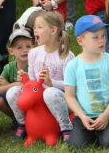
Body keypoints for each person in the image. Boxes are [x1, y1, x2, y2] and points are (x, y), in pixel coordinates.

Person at [6, 10, 74, 143]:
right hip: (37, 98)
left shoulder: (66, 55)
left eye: (39, 27)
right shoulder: (34, 53)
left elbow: (70, 87)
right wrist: (25, 80)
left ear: (53, 30)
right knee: (12, 92)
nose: (35, 30)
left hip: (60, 98)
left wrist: (51, 82)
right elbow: (32, 80)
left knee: (50, 92)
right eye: (34, 27)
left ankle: (66, 129)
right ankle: (24, 124)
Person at [64, 15, 109, 149]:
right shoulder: (73, 65)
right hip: (84, 116)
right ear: (80, 41)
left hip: (108, 114)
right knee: (77, 147)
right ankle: (91, 133)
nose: (101, 40)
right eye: (95, 37)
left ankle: (103, 133)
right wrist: (82, 116)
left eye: (103, 35)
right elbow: (69, 95)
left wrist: (106, 115)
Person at [0, 27, 33, 128]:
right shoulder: (9, 68)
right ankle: (17, 120)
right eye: (19, 47)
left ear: (33, 48)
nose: (25, 50)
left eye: (28, 46)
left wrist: (10, 85)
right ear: (11, 51)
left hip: (32, 102)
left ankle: (32, 121)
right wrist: (13, 85)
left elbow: (36, 89)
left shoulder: (35, 65)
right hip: (16, 99)